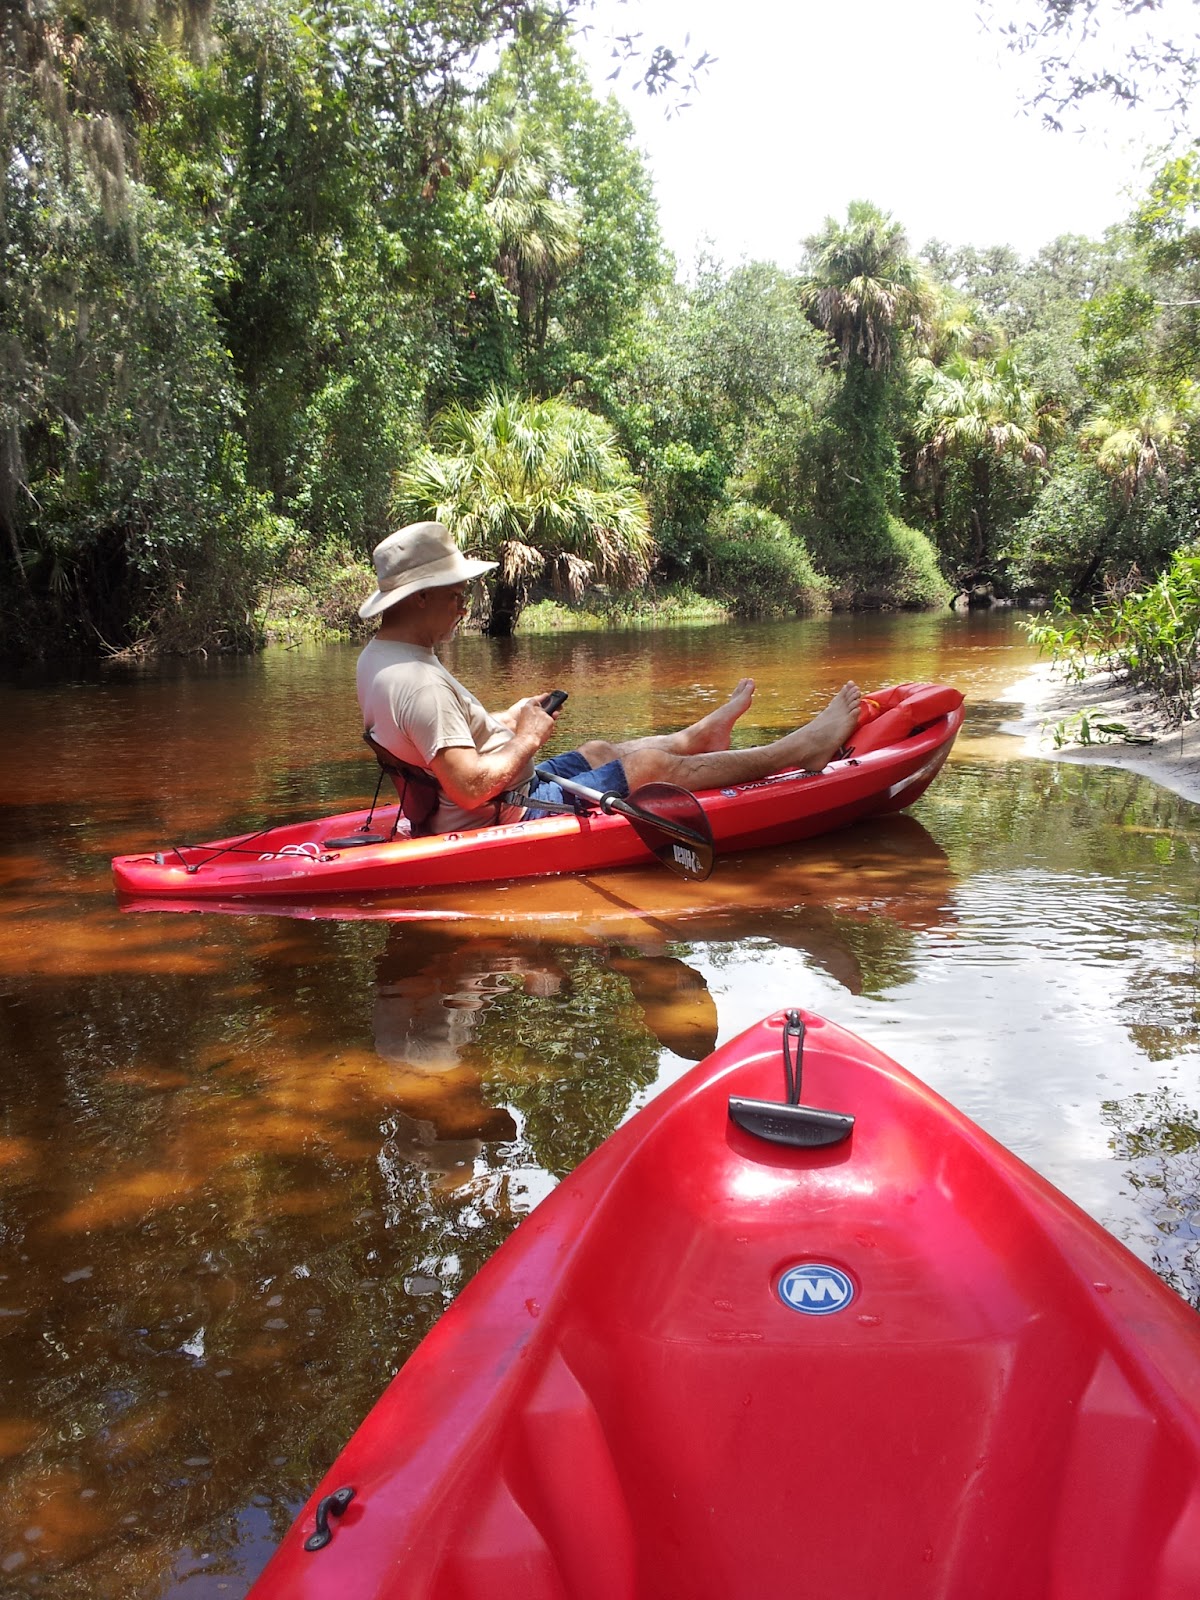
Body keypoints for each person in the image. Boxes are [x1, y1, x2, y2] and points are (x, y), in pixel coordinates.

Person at [356, 521, 862, 834]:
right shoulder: (420, 682)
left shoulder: (381, 659)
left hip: (493, 796)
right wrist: (528, 738)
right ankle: (800, 751)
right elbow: (469, 788)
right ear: (419, 596)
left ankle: (701, 737)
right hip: (508, 811)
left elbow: (433, 737)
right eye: (455, 592)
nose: (464, 603)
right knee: (647, 766)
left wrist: (507, 717)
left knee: (599, 749)